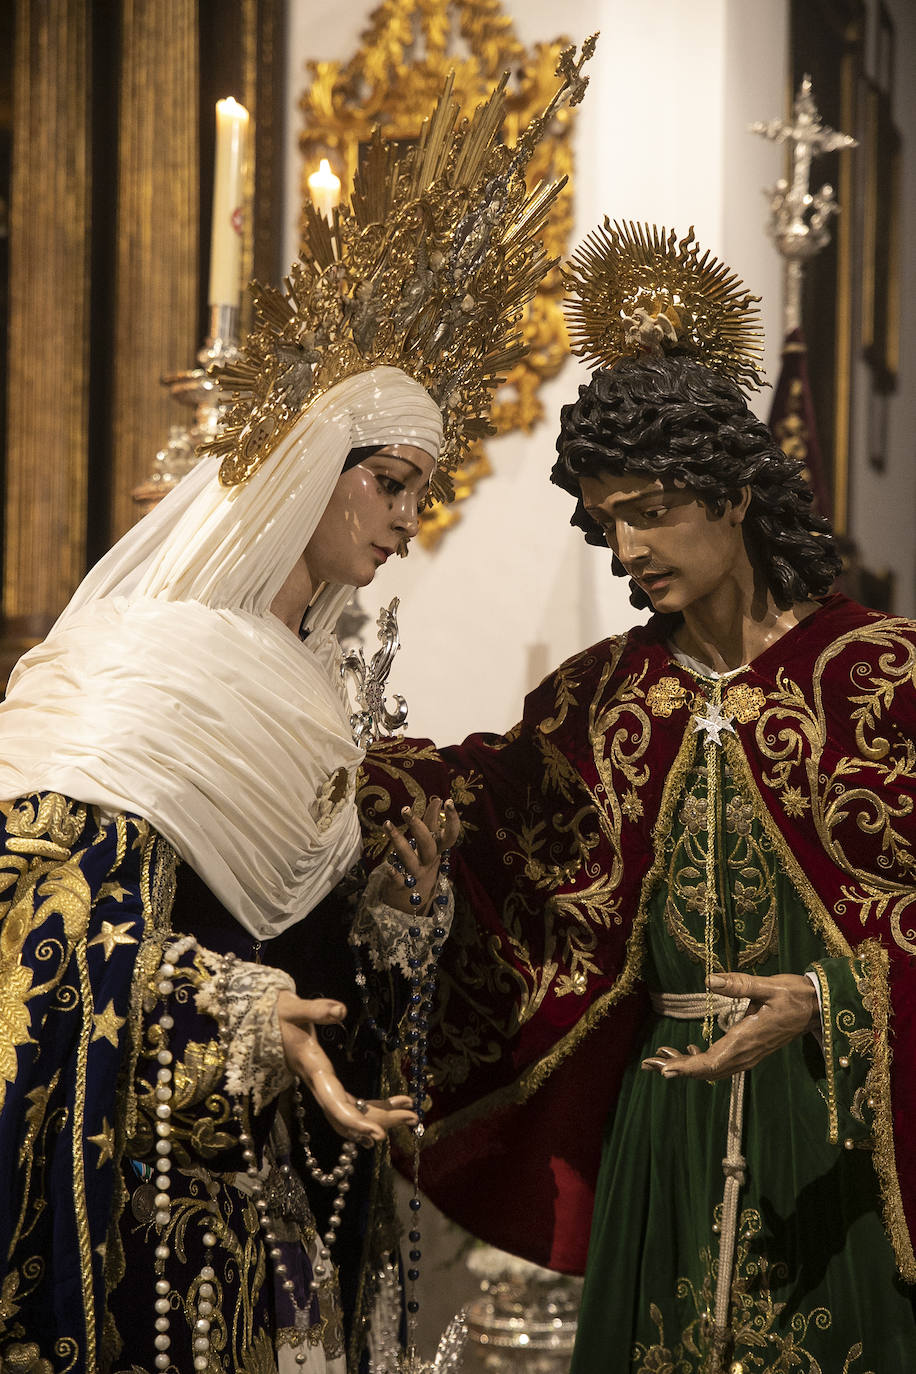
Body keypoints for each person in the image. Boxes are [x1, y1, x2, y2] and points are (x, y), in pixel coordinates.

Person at [0, 52, 595, 1373]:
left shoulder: (308, 691)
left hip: (263, 1196)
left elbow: (317, 935)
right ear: (307, 468)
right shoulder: (145, 667)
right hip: (136, 1191)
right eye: (390, 483)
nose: (404, 521)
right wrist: (231, 1007)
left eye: (423, 496)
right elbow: (37, 936)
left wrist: (397, 918)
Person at [359, 222, 916, 1373]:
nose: (624, 550)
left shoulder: (882, 677)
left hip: (832, 1132)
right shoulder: (602, 696)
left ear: (738, 490)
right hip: (660, 1127)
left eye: (651, 508)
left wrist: (834, 999)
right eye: (605, 517)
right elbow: (477, 818)